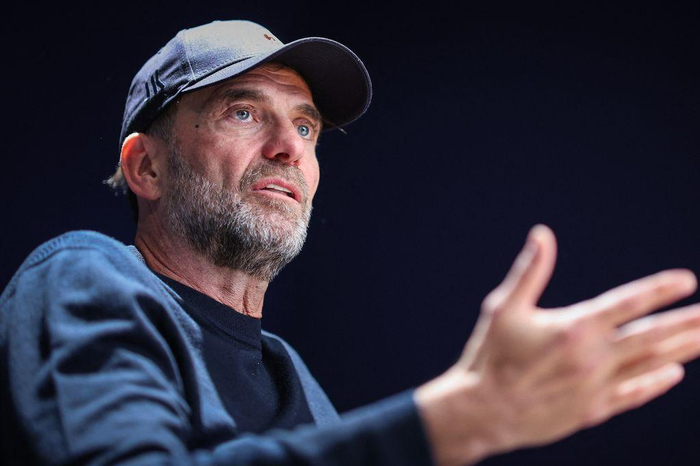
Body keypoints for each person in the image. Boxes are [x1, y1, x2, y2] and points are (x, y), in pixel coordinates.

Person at [2, 19, 700, 466]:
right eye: (243, 112)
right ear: (146, 167)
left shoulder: (294, 381)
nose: (288, 148)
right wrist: (457, 419)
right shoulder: (84, 275)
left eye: (306, 127)